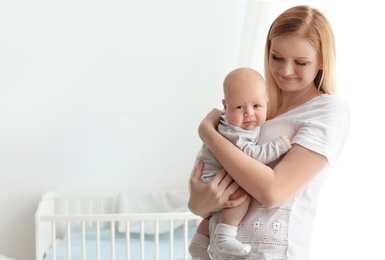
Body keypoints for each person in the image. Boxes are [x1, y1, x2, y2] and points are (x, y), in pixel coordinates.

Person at [188, 5, 350, 260]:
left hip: (271, 253)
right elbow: (203, 200)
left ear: (321, 62)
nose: (285, 71)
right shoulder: (258, 110)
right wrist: (197, 203)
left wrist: (208, 133)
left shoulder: (328, 110)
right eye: (277, 57)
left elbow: (273, 192)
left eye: (300, 62)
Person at [189, 67, 292, 257]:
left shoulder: (230, 125)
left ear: (266, 103)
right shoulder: (235, 132)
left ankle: (198, 243)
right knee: (241, 196)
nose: (249, 114)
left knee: (215, 214)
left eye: (257, 106)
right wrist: (277, 147)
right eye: (239, 107)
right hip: (211, 177)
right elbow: (250, 157)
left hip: (208, 177)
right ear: (225, 106)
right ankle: (224, 237)